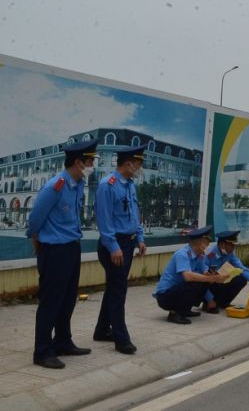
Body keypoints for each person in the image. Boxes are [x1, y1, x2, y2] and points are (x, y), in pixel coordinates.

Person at [25, 138, 98, 369]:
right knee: (51, 301)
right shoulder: (55, 186)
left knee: (67, 299)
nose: (92, 165)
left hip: (71, 247)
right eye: (90, 161)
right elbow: (35, 218)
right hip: (54, 250)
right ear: (78, 163)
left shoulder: (76, 185)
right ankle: (42, 351)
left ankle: (63, 341)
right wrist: (36, 239)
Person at [93, 145, 147, 354]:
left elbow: (134, 214)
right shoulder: (107, 185)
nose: (140, 168)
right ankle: (121, 339)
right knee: (118, 291)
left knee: (114, 288)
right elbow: (104, 221)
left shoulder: (130, 185)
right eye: (139, 164)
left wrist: (139, 238)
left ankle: (101, 330)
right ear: (128, 164)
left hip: (127, 243)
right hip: (114, 246)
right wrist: (114, 247)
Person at [152, 226, 227, 324]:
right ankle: (174, 313)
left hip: (177, 291)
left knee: (204, 282)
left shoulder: (199, 256)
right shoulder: (182, 254)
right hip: (165, 297)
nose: (208, 247)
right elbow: (188, 277)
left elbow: (205, 273)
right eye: (207, 244)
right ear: (200, 243)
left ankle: (185, 310)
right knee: (195, 282)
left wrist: (215, 276)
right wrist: (210, 278)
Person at [202, 230, 249, 313]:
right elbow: (202, 278)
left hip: (220, 279)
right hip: (210, 282)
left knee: (240, 280)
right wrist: (209, 299)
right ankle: (208, 304)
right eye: (231, 245)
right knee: (217, 280)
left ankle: (224, 303)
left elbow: (240, 267)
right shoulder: (209, 254)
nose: (233, 247)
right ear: (222, 244)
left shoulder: (229, 253)